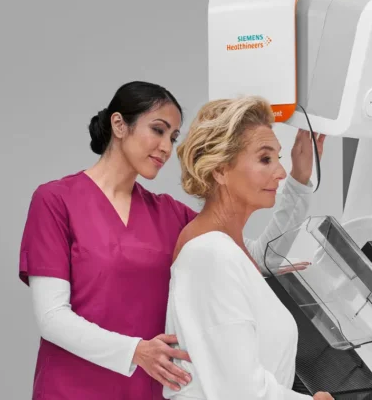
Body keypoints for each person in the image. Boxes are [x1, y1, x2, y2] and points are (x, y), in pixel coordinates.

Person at [18, 81, 320, 399]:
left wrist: (299, 184)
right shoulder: (56, 201)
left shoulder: (169, 214)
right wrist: (135, 351)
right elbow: (52, 317)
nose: (166, 147)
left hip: (146, 389)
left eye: (173, 137)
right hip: (73, 388)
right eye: (158, 130)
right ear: (119, 124)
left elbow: (246, 257)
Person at [163, 96, 333, 400]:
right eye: (265, 159)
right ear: (220, 170)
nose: (280, 172)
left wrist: (300, 178)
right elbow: (239, 391)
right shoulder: (209, 254)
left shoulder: (229, 248)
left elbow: (266, 254)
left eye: (278, 158)